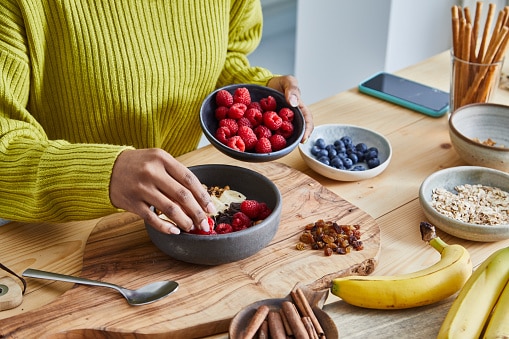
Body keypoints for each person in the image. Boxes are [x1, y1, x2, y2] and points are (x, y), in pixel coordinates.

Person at [0, 0, 313, 235]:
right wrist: (105, 174)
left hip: (185, 204)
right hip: (67, 230)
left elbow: (225, 53)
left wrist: (257, 100)